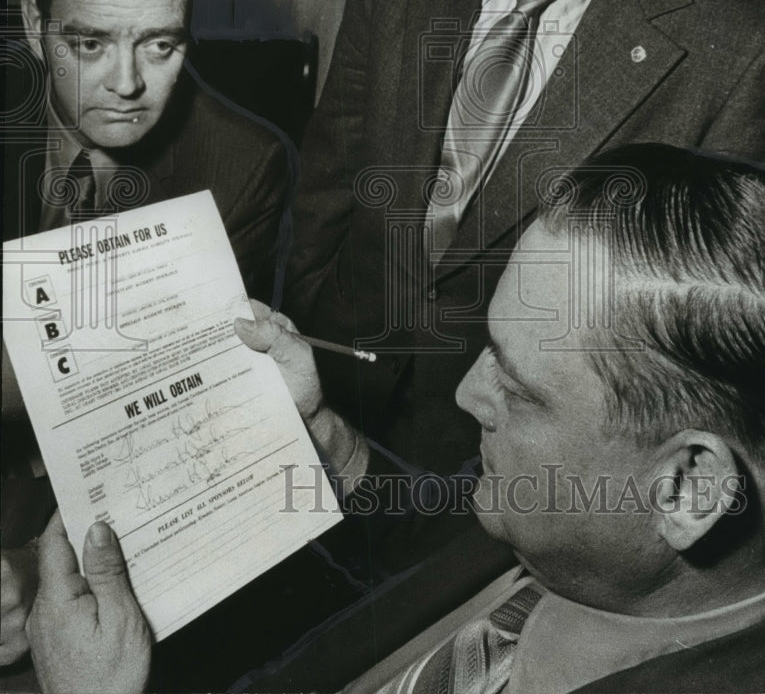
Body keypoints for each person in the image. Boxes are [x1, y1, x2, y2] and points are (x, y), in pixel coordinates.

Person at [24, 144, 765, 693]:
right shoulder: (599, 543)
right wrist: (319, 432)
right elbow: (453, 547)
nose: (469, 395)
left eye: (519, 388)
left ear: (687, 489)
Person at [285, 0, 765, 479]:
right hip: (320, 401)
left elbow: (681, 385)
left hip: (508, 491)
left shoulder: (743, 46)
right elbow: (332, 176)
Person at [0, 0, 293, 669]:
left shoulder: (241, 168)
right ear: (34, 26)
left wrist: (42, 567)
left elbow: (174, 433)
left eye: (160, 45)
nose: (127, 85)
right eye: (89, 44)